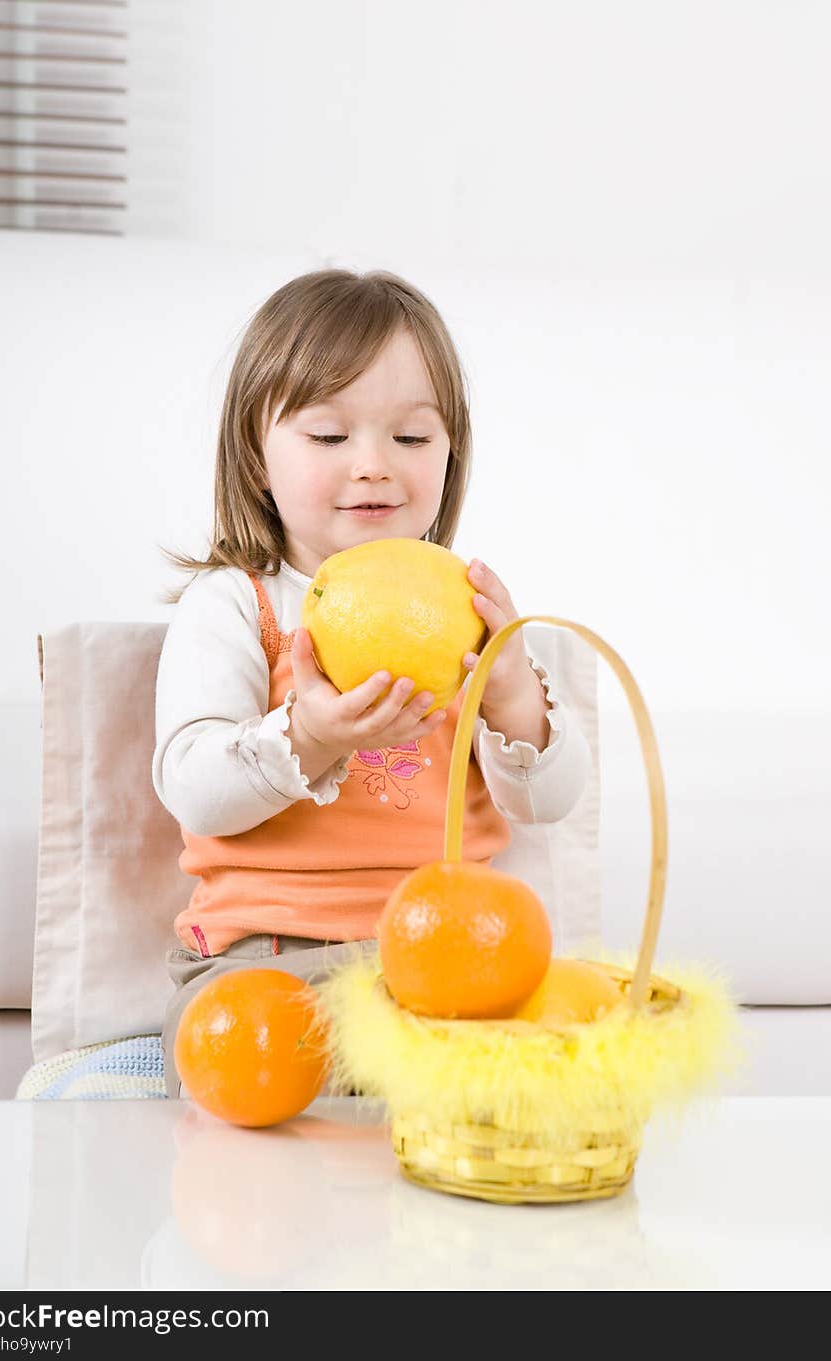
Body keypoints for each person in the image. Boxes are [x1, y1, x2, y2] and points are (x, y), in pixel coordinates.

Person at [153, 268, 592, 1098]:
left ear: (451, 453)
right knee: (236, 1046)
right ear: (257, 455)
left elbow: (550, 801)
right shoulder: (236, 606)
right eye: (328, 437)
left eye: (412, 438)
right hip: (275, 959)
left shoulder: (463, 609)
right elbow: (194, 791)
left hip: (447, 957)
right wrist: (310, 736)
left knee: (558, 1035)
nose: (374, 467)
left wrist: (511, 701)